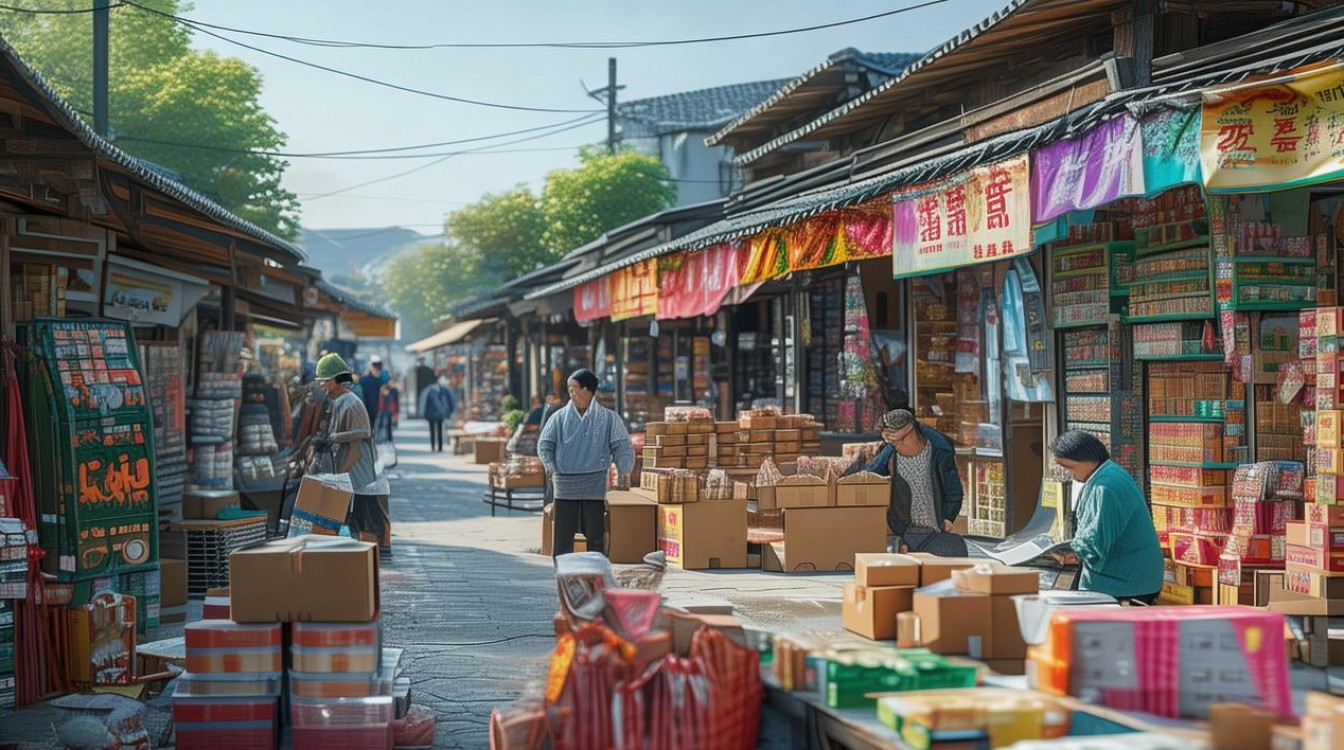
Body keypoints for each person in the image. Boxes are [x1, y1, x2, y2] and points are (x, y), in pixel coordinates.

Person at [1048, 430, 1163, 604]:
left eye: (1069, 467)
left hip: (1125, 585)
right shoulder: (1107, 474)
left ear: (1085, 459)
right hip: (1130, 580)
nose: (1070, 473)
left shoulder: (1106, 487)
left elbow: (1095, 543)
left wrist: (1066, 552)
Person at [538, 369, 634, 558]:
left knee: (595, 537)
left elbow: (621, 445)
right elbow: (545, 444)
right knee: (563, 537)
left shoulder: (608, 418)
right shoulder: (558, 418)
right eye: (569, 389)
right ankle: (563, 576)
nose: (571, 394)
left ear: (588, 390)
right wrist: (551, 467)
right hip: (565, 484)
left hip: (594, 484)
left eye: (574, 389)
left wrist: (625, 471)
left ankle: (594, 575)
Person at [310, 353, 392, 555]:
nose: (322, 386)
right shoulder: (338, 402)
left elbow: (363, 433)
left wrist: (336, 438)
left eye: (325, 382)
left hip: (359, 472)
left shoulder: (351, 402)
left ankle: (376, 548)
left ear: (337, 381)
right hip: (351, 473)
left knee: (364, 518)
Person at [861, 409, 965, 554]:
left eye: (899, 441)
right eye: (892, 443)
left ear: (912, 432)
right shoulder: (891, 452)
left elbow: (954, 490)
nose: (896, 446)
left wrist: (949, 516)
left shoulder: (939, 451)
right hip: (904, 530)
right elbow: (871, 475)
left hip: (933, 531)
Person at [420, 376, 454, 452]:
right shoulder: (443, 391)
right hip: (438, 414)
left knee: (434, 431)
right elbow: (450, 402)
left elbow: (425, 404)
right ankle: (439, 447)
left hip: (432, 414)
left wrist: (424, 413)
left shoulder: (429, 391)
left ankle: (434, 446)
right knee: (439, 431)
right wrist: (449, 411)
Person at [359, 355, 389, 423]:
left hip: (376, 409)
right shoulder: (364, 380)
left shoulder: (381, 380)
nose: (377, 370)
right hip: (367, 408)